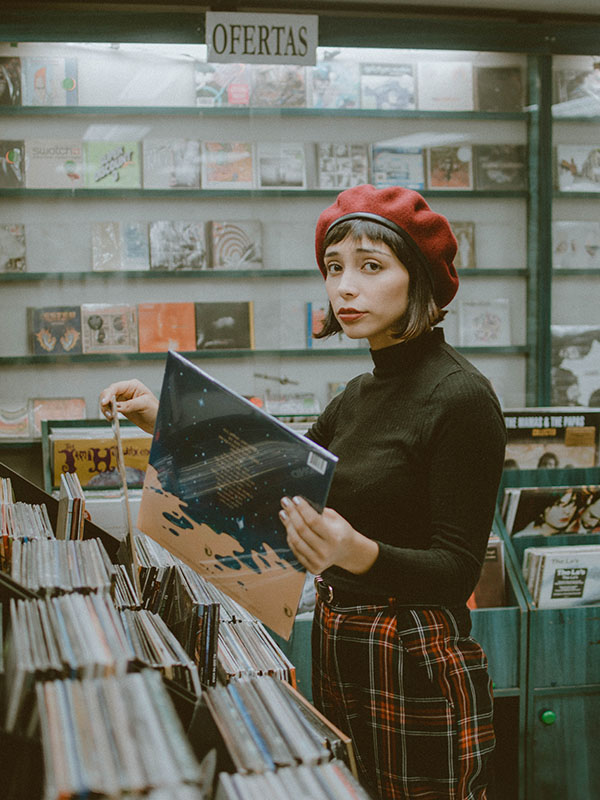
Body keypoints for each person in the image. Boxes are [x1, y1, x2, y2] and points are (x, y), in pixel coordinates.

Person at [100, 184, 506, 800]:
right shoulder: (356, 395)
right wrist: (165, 420)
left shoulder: (462, 398)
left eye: (372, 268)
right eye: (334, 268)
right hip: (341, 642)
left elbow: (455, 572)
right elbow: (278, 473)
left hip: (415, 659)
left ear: (418, 278)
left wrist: (356, 552)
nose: (345, 287)